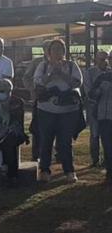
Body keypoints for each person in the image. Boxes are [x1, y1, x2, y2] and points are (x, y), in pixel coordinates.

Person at [33, 39, 83, 183]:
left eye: (60, 49)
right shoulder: (43, 66)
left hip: (67, 110)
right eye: (54, 49)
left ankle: (69, 171)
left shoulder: (71, 66)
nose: (57, 52)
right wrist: (50, 75)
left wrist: (61, 74)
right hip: (46, 110)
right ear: (49, 52)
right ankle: (44, 170)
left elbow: (77, 82)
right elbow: (37, 83)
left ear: (64, 51)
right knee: (46, 141)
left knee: (65, 142)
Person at [0, 79, 29, 187]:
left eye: (2, 91)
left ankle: (6, 170)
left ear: (9, 91)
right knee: (8, 145)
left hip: (13, 132)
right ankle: (11, 174)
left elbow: (18, 121)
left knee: (9, 142)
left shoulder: (17, 102)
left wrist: (7, 130)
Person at [83, 49, 110, 167]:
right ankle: (95, 159)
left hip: (108, 110)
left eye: (107, 59)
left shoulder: (109, 73)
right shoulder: (89, 72)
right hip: (94, 107)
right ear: (96, 60)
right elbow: (89, 90)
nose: (106, 62)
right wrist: (97, 93)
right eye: (102, 59)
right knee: (94, 133)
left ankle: (107, 159)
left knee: (108, 135)